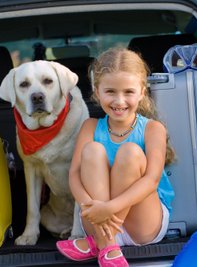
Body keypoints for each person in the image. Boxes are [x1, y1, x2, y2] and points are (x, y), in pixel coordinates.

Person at [56, 47, 175, 267]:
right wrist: (88, 206)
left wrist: (108, 209)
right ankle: (108, 245)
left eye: (128, 92)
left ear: (142, 91)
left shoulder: (152, 129)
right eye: (110, 91)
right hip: (97, 219)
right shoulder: (90, 127)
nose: (119, 101)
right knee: (92, 151)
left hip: (142, 224)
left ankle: (100, 243)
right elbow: (74, 174)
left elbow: (151, 181)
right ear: (97, 91)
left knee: (130, 152)